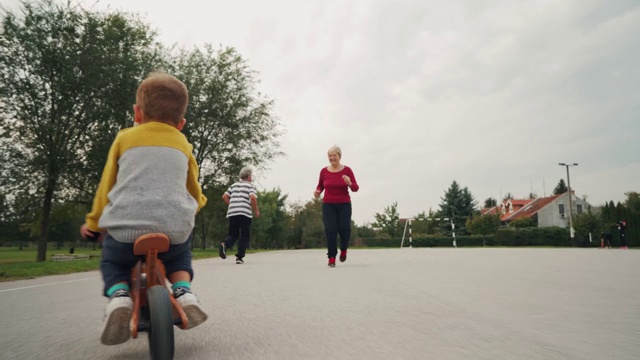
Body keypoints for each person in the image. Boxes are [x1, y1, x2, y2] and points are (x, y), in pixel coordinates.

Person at [79, 72, 208, 346]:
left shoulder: (124, 138)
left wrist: (93, 223)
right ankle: (184, 292)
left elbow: (107, 185)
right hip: (172, 232)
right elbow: (194, 189)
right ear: (181, 123)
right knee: (180, 256)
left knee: (113, 261)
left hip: (126, 233)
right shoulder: (184, 144)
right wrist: (194, 208)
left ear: (137, 113)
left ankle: (119, 296)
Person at [314, 145, 359, 267]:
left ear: (339, 156)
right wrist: (318, 191)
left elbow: (355, 188)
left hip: (344, 204)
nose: (332, 158)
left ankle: (343, 249)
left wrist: (349, 182)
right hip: (328, 204)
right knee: (331, 230)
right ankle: (332, 257)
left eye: (334, 155)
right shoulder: (324, 171)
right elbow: (320, 186)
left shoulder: (347, 170)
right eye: (330, 156)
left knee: (345, 229)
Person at [218, 167, 260, 264]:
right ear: (249, 176)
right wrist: (256, 211)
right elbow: (253, 197)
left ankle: (225, 244)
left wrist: (233, 205)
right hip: (245, 213)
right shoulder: (250, 186)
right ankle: (239, 257)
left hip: (232, 213)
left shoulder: (233, 185)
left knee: (233, 234)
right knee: (245, 235)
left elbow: (224, 197)